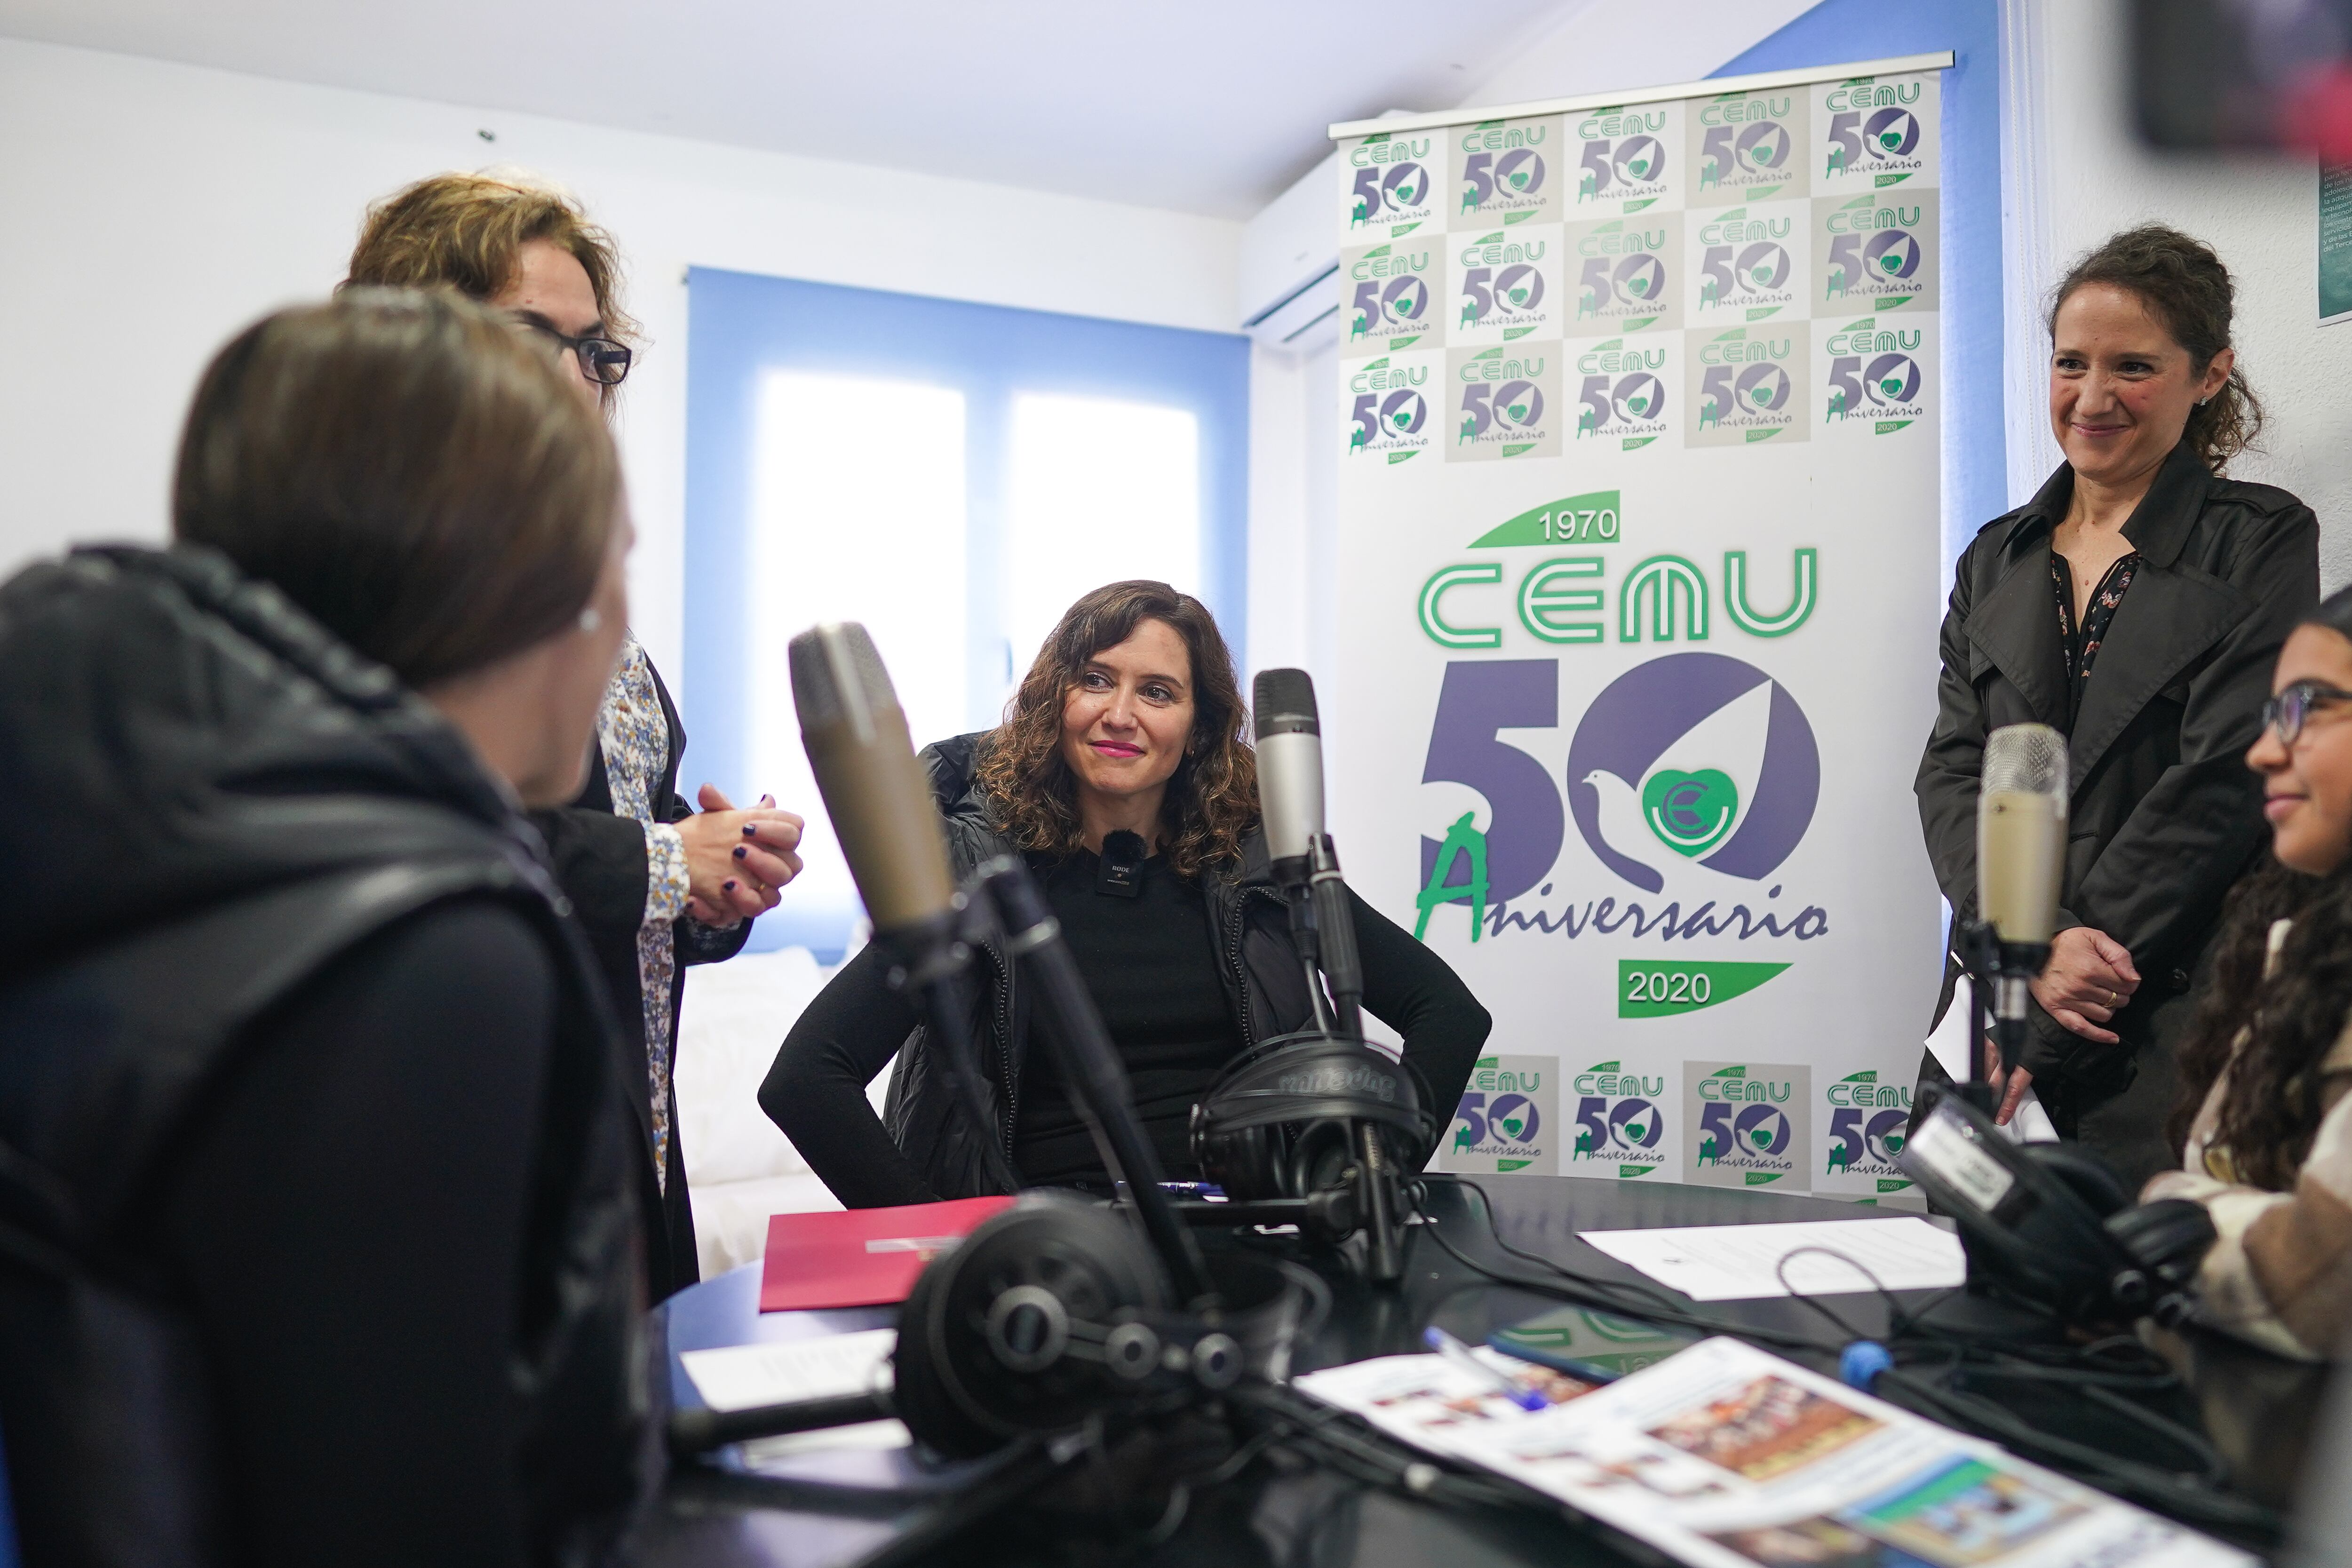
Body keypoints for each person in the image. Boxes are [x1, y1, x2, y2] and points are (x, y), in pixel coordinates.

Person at [0, 292, 645, 1564]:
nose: (628, 617)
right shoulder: (428, 950)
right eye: (622, 553)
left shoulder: (143, 859)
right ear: (537, 582)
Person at [344, 171, 804, 1297]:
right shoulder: (355, 574)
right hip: (440, 1168)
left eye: (594, 349)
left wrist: (715, 888)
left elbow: (624, 881)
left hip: (624, 1156)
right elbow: (402, 828)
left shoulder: (604, 627)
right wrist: (659, 862)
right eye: (526, 337)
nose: (574, 377)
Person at [761, 580, 1490, 1206]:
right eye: (1097, 680)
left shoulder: (1258, 872)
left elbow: (1450, 1012)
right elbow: (806, 1078)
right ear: (1057, 700)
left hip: (1249, 1237)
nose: (1120, 714)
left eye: (1157, 692)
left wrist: (1373, 1178)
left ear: (1199, 728)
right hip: (1055, 1263)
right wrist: (935, 1243)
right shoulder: (980, 882)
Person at [1913, 225, 2318, 1189]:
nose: (2092, 399)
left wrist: (2070, 970)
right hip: (1999, 984)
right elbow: (1951, 770)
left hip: (2161, 998)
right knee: (1969, 1283)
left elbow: (2219, 780)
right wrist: (2032, 944)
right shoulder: (1995, 556)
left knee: (2147, 1299)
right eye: (2071, 363)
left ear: (2208, 375)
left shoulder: (2258, 540)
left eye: (2133, 367)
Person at [2143, 587, 2352, 1360]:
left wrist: (2171, 1212)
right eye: (2271, 716)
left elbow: (2321, 1277)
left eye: (2305, 708)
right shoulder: (2300, 936)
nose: (2265, 751)